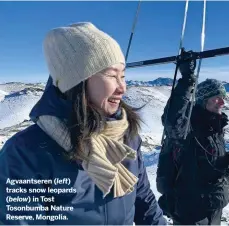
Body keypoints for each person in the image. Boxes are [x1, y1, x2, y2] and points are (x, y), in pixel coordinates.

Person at [0, 22, 166, 225]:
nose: (122, 87)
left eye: (123, 76)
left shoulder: (127, 137)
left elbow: (145, 202)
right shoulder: (25, 153)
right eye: (112, 75)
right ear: (77, 81)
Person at [156, 49, 229, 225]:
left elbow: (208, 161)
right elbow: (172, 121)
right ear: (203, 100)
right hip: (191, 211)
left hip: (214, 207)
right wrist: (187, 80)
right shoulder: (189, 126)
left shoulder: (215, 126)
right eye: (216, 98)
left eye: (223, 98)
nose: (222, 102)